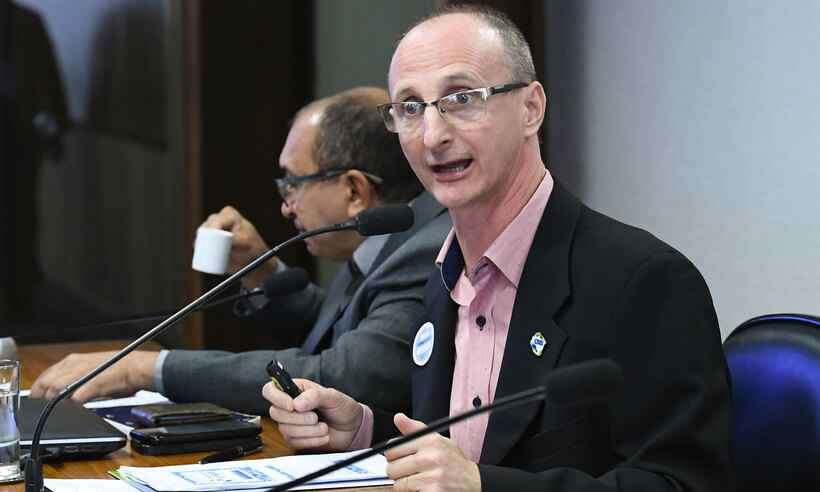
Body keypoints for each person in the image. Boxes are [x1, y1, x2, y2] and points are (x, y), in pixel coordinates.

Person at [263, 6, 733, 492]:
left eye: (461, 98)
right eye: (409, 107)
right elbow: (465, 454)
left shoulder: (646, 281)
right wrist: (361, 428)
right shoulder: (443, 275)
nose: (433, 136)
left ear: (531, 108)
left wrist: (485, 487)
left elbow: (683, 484)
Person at [30, 87, 452, 418]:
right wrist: (262, 272)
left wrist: (146, 368)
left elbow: (340, 375)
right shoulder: (379, 238)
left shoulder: (423, 253)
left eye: (293, 183)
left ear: (354, 190)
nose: (285, 205)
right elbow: (344, 328)